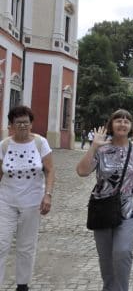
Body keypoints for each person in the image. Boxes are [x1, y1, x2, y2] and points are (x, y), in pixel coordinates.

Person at [76, 109, 133, 291]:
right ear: (111, 124)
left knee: (122, 252)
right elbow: (82, 171)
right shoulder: (102, 148)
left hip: (130, 209)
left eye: (127, 121)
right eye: (118, 120)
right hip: (102, 208)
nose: (122, 123)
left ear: (130, 126)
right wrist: (93, 146)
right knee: (105, 257)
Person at [0, 105, 55, 291]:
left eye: (26, 122)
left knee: (26, 245)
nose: (22, 125)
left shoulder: (40, 143)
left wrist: (48, 194)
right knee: (1, 243)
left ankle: (22, 285)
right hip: (6, 201)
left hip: (32, 202)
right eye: (18, 122)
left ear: (31, 124)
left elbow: (49, 170)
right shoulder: (4, 145)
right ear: (11, 125)